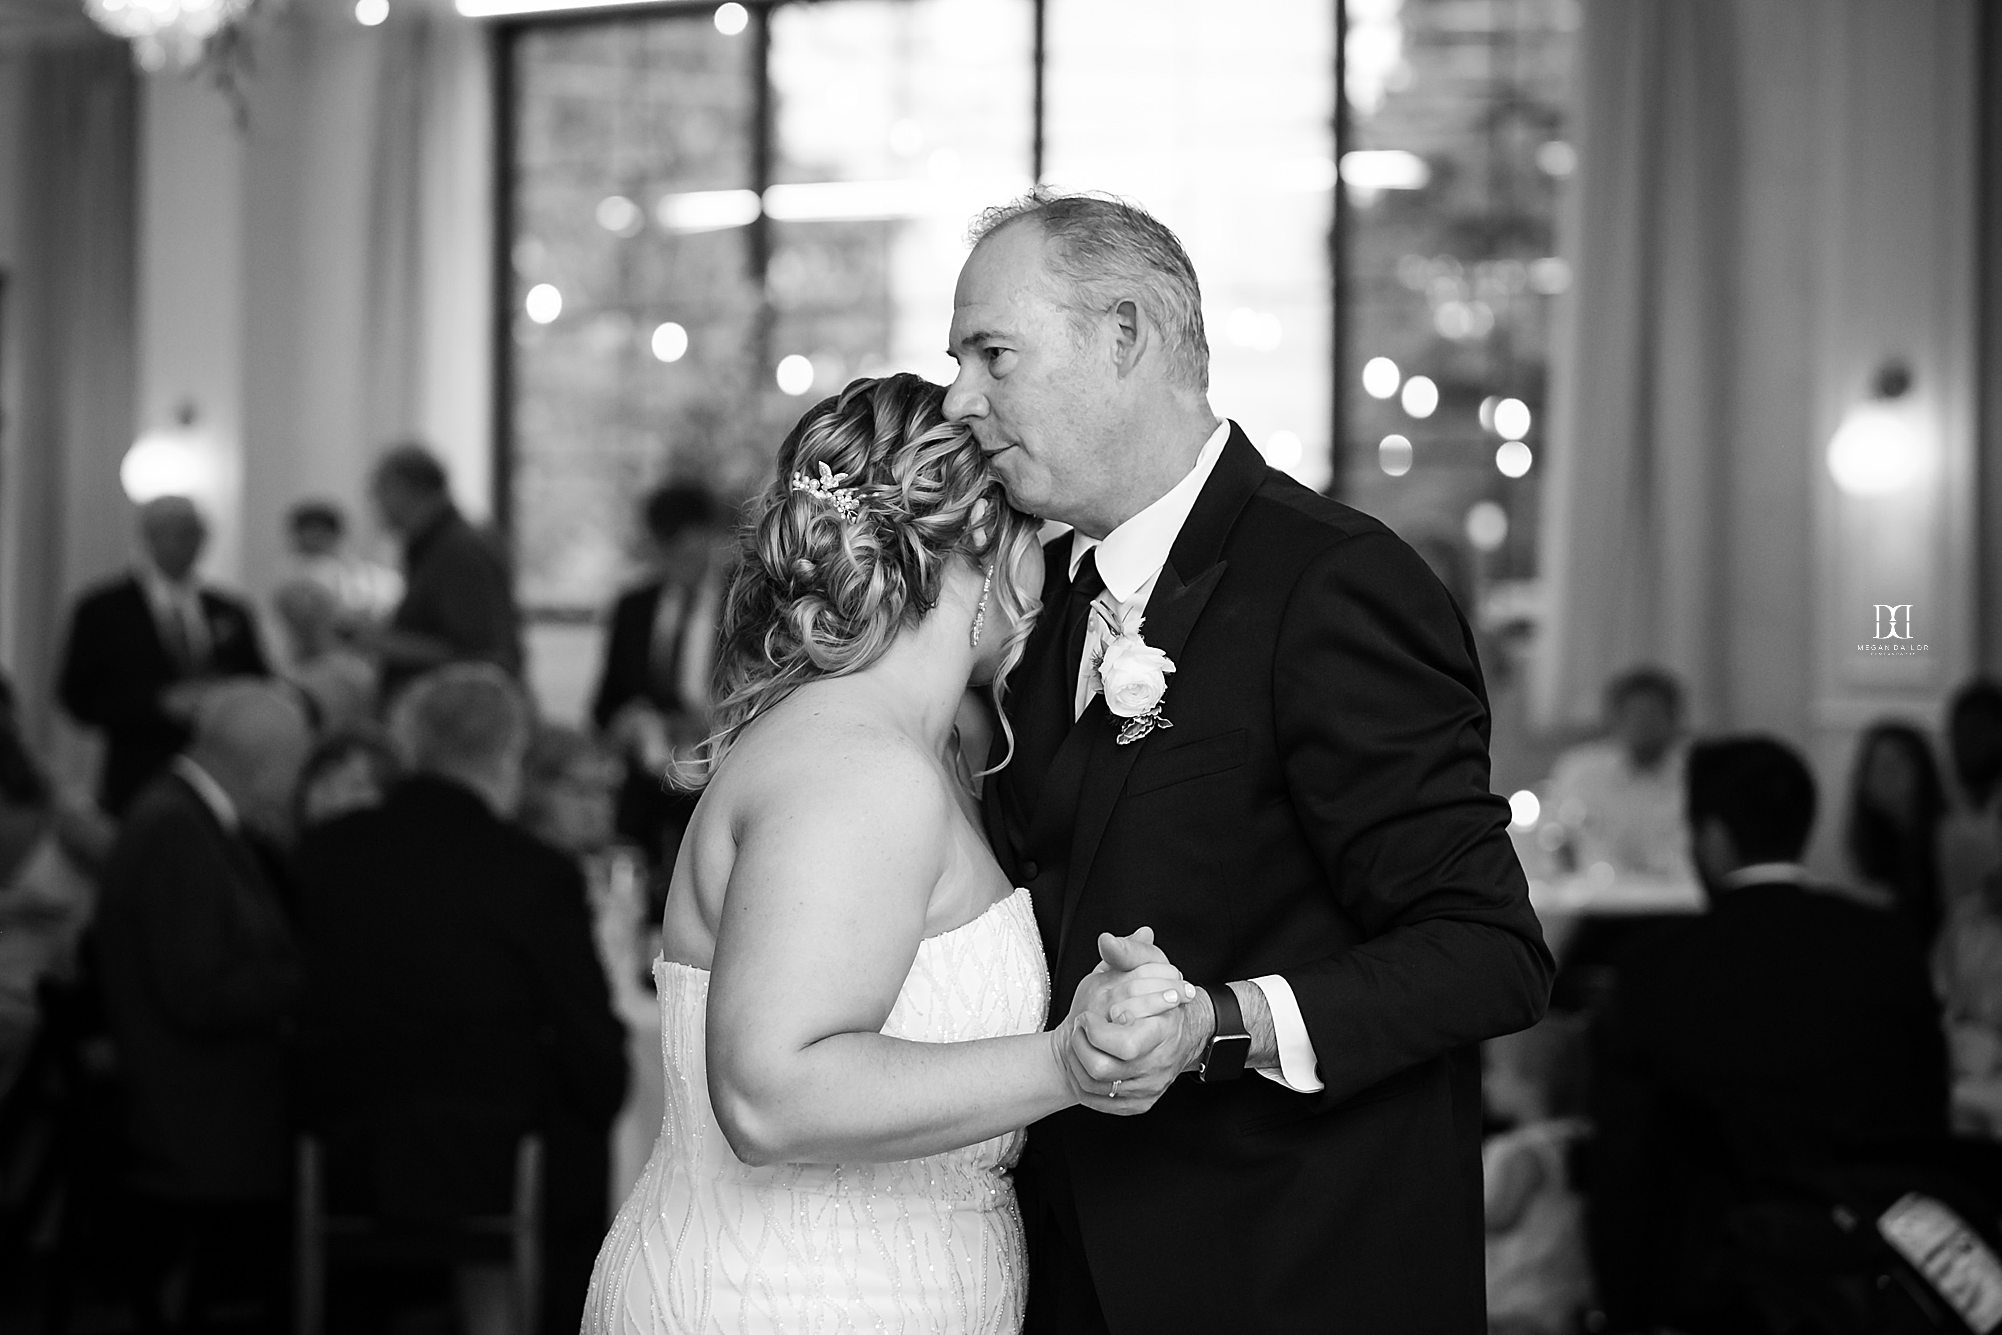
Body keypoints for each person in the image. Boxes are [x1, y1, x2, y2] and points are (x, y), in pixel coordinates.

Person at [582, 373, 1195, 1334]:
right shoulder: (858, 766)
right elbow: (771, 1095)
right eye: (1036, 532)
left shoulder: (921, 749)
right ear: (990, 547)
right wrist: (1065, 1065)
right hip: (789, 1301)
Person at [295, 665, 626, 1335]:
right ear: (508, 756)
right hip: (494, 1167)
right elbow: (599, 1064)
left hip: (341, 1151)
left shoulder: (327, 853)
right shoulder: (534, 873)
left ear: (409, 745)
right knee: (577, 1117)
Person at [1586, 735, 1950, 1334]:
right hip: (1874, 1274)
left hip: (1719, 1290)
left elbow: (1625, 1165)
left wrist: (1626, 1312)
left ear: (1712, 836)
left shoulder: (1657, 967)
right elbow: (1926, 1117)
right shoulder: (1884, 944)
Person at [92, 681, 313, 1331]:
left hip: (212, 1092)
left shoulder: (193, 817)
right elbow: (198, 992)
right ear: (268, 766)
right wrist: (310, 982)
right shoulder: (174, 829)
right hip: (206, 1113)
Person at [56, 496, 272, 816]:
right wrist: (158, 703)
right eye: (174, 532)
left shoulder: (229, 611)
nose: (186, 543)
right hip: (138, 772)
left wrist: (222, 697)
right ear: (149, 537)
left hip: (221, 772)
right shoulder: (103, 610)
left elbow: (259, 683)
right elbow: (78, 695)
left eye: (194, 533)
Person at [589, 482, 732, 868]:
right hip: (649, 776)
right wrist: (625, 723)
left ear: (710, 536)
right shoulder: (635, 607)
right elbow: (605, 704)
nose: (678, 558)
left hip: (722, 767)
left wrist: (711, 720)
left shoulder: (743, 601)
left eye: (688, 544)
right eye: (667, 546)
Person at [364, 443, 524, 702]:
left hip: (464, 716)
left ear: (403, 488)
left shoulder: (459, 550)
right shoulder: (437, 544)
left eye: (378, 490)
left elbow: (478, 653)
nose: (375, 503)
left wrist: (383, 642)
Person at [1545, 666, 1691, 878]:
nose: (1642, 725)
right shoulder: (1581, 771)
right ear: (1614, 717)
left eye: (1652, 715)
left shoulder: (1696, 772)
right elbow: (1557, 840)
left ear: (1674, 718)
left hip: (1681, 900)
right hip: (1597, 898)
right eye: (1634, 714)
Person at [1841, 720, 1947, 948]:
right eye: (1875, 767)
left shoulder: (1949, 838)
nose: (1884, 777)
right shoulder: (1878, 841)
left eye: (1893, 766)